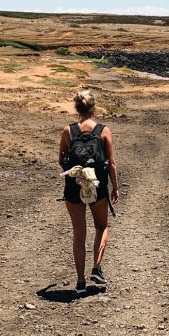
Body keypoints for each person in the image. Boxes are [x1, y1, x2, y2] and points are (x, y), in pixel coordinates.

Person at [59, 89, 120, 293]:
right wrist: (115, 187)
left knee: (78, 233)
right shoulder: (103, 130)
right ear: (94, 108)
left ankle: (80, 283)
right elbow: (111, 163)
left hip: (74, 185)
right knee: (102, 226)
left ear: (77, 108)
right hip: (97, 185)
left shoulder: (68, 131)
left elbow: (62, 160)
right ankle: (96, 267)